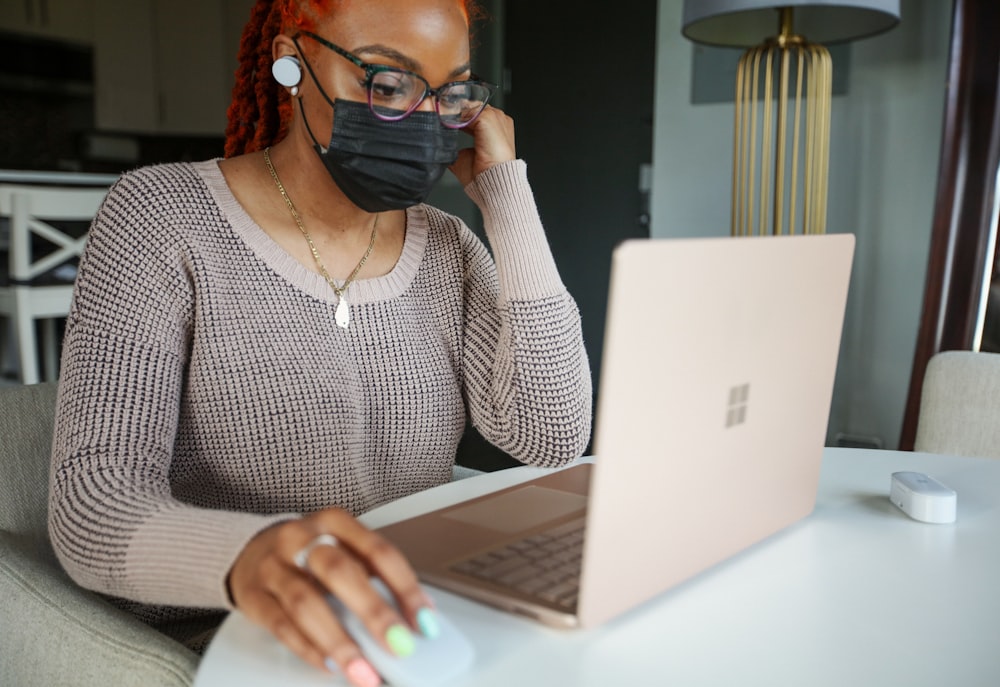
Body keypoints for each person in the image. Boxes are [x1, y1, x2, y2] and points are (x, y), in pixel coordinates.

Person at [48, 0, 592, 685]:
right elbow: (94, 502)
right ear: (292, 61)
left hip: (414, 619)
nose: (422, 118)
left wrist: (506, 195)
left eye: (448, 93)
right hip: (233, 633)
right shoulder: (160, 217)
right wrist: (252, 555)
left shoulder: (448, 247)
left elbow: (549, 436)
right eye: (388, 84)